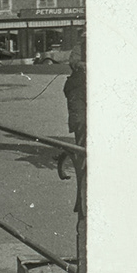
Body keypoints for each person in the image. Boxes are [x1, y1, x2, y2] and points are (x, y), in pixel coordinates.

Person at [58, 48, 86, 181]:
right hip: (78, 90)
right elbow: (74, 61)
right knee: (80, 123)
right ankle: (81, 168)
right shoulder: (81, 46)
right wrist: (84, 65)